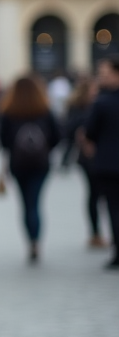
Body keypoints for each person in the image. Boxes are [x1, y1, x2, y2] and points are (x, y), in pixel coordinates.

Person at [0, 76, 61, 264]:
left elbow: (3, 141)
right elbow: (57, 136)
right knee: (35, 202)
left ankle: (30, 240)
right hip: (41, 164)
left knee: (26, 204)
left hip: (18, 165)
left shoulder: (9, 112)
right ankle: (36, 241)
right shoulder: (45, 110)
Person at [85, 56, 119, 269]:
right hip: (108, 164)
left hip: (109, 163)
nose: (101, 78)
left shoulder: (102, 102)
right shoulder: (101, 101)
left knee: (114, 209)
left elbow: (90, 132)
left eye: (105, 74)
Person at [64, 77, 106, 249]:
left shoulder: (101, 104)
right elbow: (68, 130)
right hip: (87, 157)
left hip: (102, 155)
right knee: (94, 194)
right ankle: (95, 232)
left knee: (101, 195)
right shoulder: (78, 108)